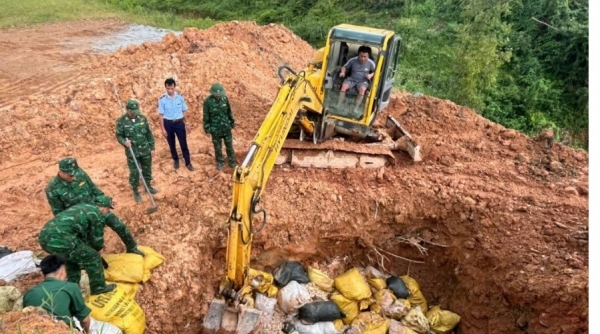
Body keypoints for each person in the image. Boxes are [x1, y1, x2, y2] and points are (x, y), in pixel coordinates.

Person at [37, 195, 144, 295]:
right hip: (61, 240)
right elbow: (97, 242)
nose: (108, 212)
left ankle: (72, 286)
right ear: (102, 208)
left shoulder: (83, 207)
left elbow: (80, 233)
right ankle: (98, 287)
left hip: (44, 239)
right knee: (92, 257)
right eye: (108, 209)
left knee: (72, 259)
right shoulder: (96, 214)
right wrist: (95, 252)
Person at [23, 254, 92, 333]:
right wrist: (87, 332)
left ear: (42, 274)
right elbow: (85, 320)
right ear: (63, 271)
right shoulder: (70, 287)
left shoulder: (29, 293)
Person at [116, 99, 158, 203]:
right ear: (128, 110)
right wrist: (124, 143)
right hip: (132, 152)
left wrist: (152, 148)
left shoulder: (142, 118)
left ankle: (148, 186)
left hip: (145, 150)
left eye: (136, 111)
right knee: (134, 173)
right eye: (133, 112)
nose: (135, 114)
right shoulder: (121, 121)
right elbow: (119, 135)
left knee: (147, 169)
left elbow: (148, 134)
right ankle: (135, 191)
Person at [158, 78, 194, 171]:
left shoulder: (180, 97)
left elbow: (184, 111)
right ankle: (176, 160)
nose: (170, 90)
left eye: (172, 88)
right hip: (168, 124)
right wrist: (163, 129)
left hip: (179, 123)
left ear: (175, 87)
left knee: (183, 143)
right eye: (168, 88)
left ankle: (188, 162)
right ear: (165, 88)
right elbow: (161, 115)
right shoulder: (162, 100)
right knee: (171, 143)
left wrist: (186, 123)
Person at [203, 83, 236, 171]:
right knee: (217, 147)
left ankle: (232, 162)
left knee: (229, 146)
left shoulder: (225, 98)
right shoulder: (207, 102)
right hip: (215, 129)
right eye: (216, 95)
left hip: (226, 128)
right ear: (212, 93)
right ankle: (220, 162)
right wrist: (207, 129)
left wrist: (232, 122)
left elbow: (229, 112)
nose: (218, 96)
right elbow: (206, 116)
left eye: (219, 94)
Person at [336, 45, 376, 113]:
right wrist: (342, 72)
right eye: (361, 56)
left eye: (365, 57)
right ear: (358, 55)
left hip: (363, 81)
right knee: (344, 86)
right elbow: (344, 67)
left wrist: (371, 75)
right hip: (352, 79)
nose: (363, 58)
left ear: (368, 56)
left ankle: (356, 108)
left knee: (362, 89)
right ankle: (339, 104)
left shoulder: (371, 63)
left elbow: (376, 72)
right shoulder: (353, 60)